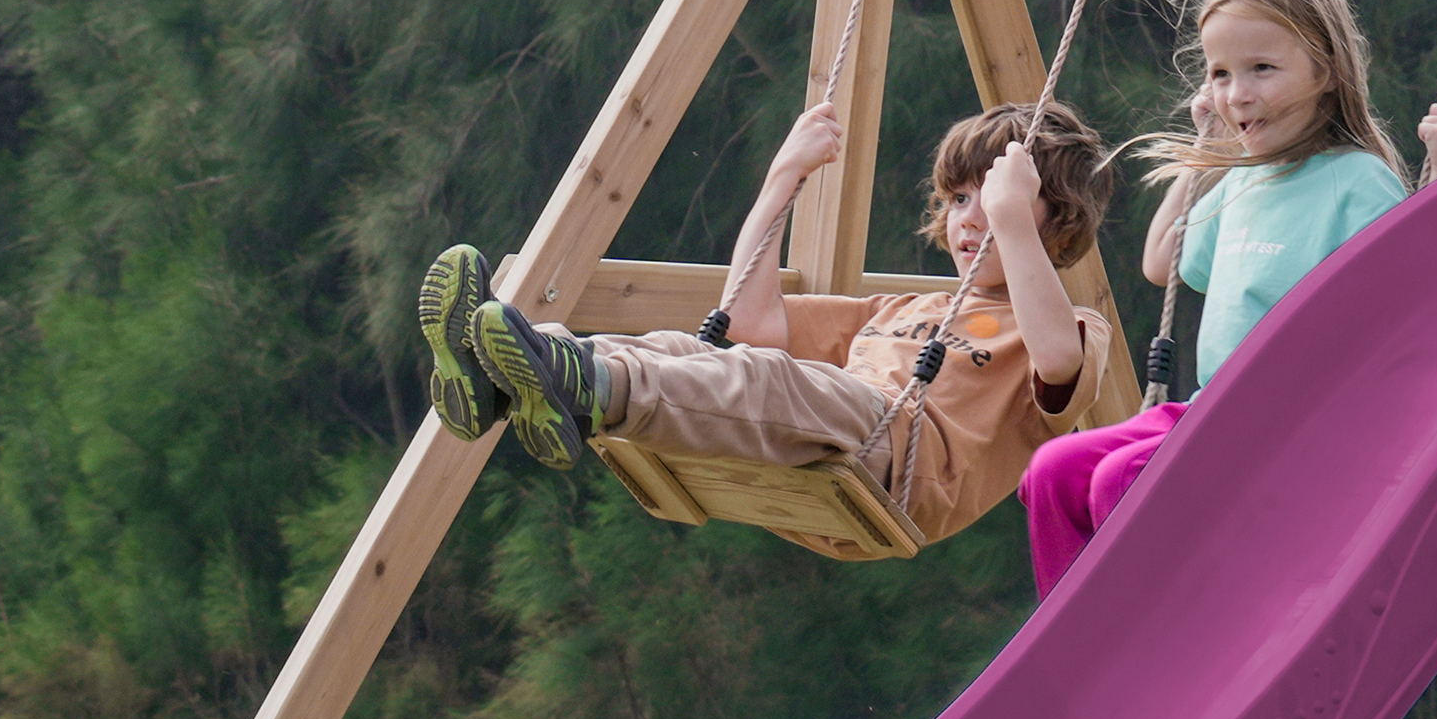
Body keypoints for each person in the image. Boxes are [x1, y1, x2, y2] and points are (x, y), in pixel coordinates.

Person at [418, 95, 1115, 547]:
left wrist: (1012, 221)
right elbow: (750, 322)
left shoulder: (1065, 325)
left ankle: (580, 385)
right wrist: (781, 180)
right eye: (960, 199)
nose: (972, 218)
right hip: (838, 428)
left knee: (769, 380)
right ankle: (509, 378)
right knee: (685, 350)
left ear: (1057, 222)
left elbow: (1059, 364)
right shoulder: (904, 309)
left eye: (990, 201)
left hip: (902, 464)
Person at [1018, 0, 1437, 592]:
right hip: (1212, 412)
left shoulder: (1355, 182)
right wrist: (1211, 149)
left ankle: (1146, 637)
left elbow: (1420, 293)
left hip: (1292, 434)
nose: (1237, 93)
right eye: (1220, 74)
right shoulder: (1243, 180)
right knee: (1054, 470)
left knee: (1124, 480)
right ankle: (1068, 638)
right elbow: (1163, 260)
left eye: (1261, 68)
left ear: (1326, 70)